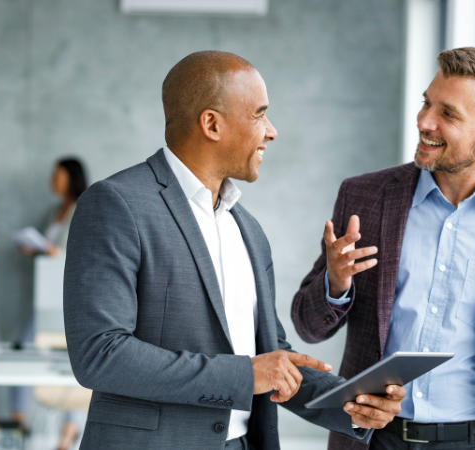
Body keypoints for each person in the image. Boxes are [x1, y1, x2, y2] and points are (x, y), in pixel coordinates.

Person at [63, 51, 405, 450]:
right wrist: (244, 376)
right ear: (212, 124)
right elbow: (100, 354)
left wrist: (354, 403)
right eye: (260, 115)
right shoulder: (116, 204)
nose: (271, 131)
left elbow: (270, 358)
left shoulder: (248, 229)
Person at [291, 46, 475, 450]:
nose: (424, 121)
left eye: (448, 114)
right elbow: (308, 327)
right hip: (373, 439)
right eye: (426, 103)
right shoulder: (365, 197)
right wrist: (335, 283)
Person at [12, 157, 89, 450]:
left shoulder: (84, 207)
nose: (52, 180)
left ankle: (69, 430)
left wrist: (52, 251)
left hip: (71, 297)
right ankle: (18, 419)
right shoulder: (55, 212)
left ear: (71, 177)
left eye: (57, 175)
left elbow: (84, 254)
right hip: (47, 294)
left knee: (73, 360)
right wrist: (36, 249)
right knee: (25, 349)